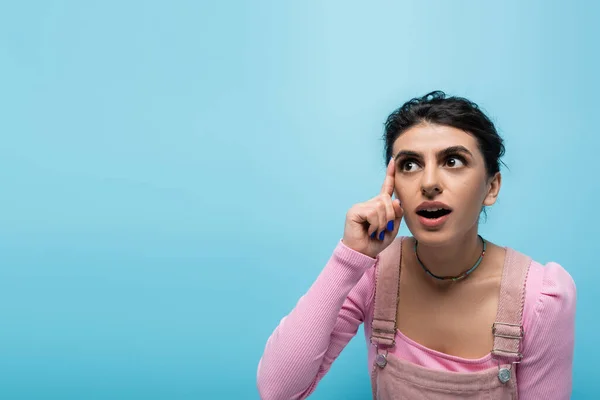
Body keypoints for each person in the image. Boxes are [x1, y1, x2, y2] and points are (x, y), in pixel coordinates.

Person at [256, 91, 576, 399]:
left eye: (452, 161)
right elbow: (277, 391)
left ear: (491, 187)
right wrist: (348, 259)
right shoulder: (374, 270)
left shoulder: (540, 297)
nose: (428, 183)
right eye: (410, 165)